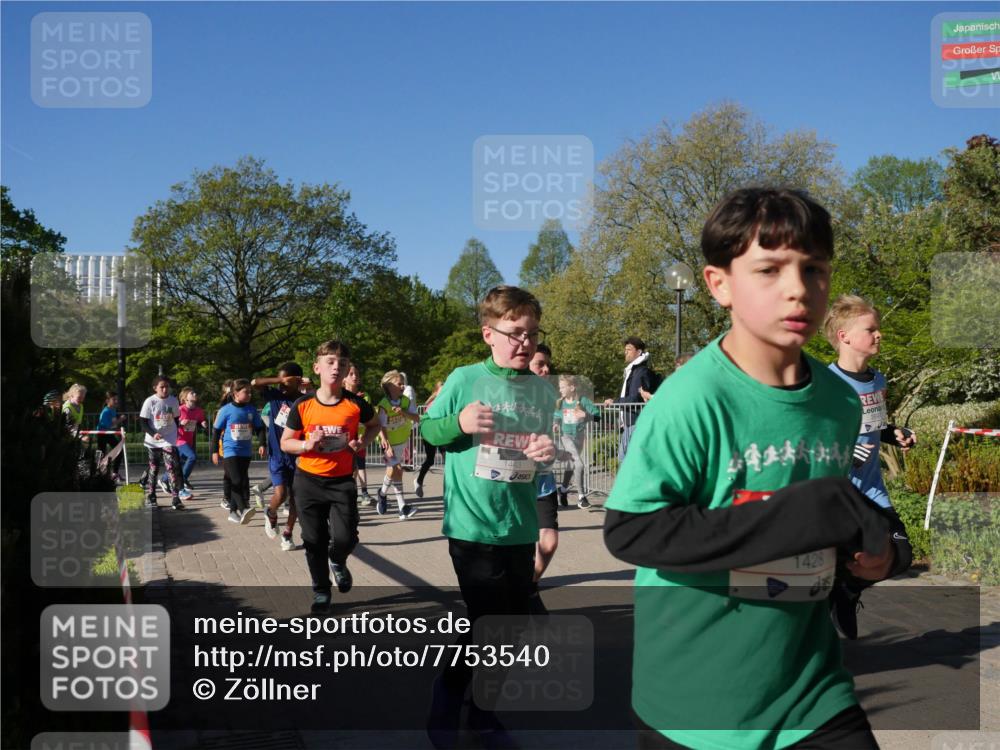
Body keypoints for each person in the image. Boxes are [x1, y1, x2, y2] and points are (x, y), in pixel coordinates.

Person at [604, 187, 905, 750]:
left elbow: (822, 526)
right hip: (696, 700)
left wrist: (875, 552)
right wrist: (791, 515)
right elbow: (630, 530)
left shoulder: (838, 402)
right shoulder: (692, 398)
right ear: (719, 284)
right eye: (769, 269)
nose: (798, 289)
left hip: (810, 688)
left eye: (813, 269)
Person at [421, 285, 557, 746]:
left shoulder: (542, 391)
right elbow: (428, 430)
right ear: (488, 334)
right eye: (515, 333)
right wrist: (457, 424)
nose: (526, 343)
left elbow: (537, 453)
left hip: (518, 525)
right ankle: (450, 696)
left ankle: (482, 709)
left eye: (532, 334)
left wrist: (545, 453)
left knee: (513, 627)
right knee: (487, 623)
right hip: (472, 524)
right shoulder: (464, 379)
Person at [824, 294, 916, 639]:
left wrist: (896, 434)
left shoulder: (876, 380)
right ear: (844, 336)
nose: (879, 335)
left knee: (900, 556)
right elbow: (812, 438)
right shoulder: (827, 385)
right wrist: (844, 455)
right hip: (837, 494)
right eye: (871, 329)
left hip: (873, 489)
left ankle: (847, 592)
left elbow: (874, 425)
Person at [280, 340, 381, 615]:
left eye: (342, 364)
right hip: (308, 481)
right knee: (313, 540)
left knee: (346, 538)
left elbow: (374, 425)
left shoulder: (355, 404)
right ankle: (321, 591)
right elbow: (285, 443)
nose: (337, 368)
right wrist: (306, 446)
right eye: (331, 362)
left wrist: (363, 442)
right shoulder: (302, 405)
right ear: (317, 368)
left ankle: (338, 560)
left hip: (341, 482)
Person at [252, 363, 306, 551]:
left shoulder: (304, 400)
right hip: (278, 456)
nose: (282, 385)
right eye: (281, 380)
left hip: (298, 457)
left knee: (296, 500)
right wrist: (279, 380)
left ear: (298, 381)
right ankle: (271, 512)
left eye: (287, 381)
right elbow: (255, 383)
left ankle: (288, 533)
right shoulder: (275, 396)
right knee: (281, 494)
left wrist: (310, 385)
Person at [527, 343, 560, 614]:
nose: (546, 368)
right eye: (540, 364)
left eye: (548, 364)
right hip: (516, 482)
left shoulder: (549, 394)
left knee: (549, 542)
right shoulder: (507, 393)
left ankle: (530, 584)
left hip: (544, 481)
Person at [212, 379, 265, 525]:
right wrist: (214, 451)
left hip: (245, 451)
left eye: (250, 392)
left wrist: (262, 444)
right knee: (236, 480)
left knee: (241, 480)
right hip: (230, 450)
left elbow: (259, 428)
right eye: (245, 392)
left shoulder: (251, 409)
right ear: (235, 393)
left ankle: (232, 513)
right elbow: (216, 432)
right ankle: (243, 509)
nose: (249, 395)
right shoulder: (226, 410)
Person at [374, 370, 421, 519]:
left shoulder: (406, 401)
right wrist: (385, 442)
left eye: (403, 383)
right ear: (388, 386)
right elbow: (380, 426)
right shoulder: (384, 404)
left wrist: (403, 413)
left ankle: (382, 493)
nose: (402, 386)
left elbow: (417, 417)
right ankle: (402, 507)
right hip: (388, 441)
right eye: (399, 383)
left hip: (402, 440)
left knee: (392, 471)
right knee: (397, 469)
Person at [603, 337, 656, 458]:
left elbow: (635, 398)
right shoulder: (634, 371)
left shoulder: (641, 372)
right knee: (626, 458)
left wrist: (614, 402)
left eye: (629, 349)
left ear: (639, 352)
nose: (625, 352)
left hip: (635, 422)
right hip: (630, 423)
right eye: (625, 349)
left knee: (624, 459)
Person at [138, 376, 185, 510]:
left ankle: (176, 498)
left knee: (172, 467)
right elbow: (143, 422)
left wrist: (174, 433)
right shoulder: (150, 401)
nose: (165, 389)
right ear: (155, 388)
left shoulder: (173, 400)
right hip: (153, 441)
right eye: (162, 387)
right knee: (154, 468)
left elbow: (176, 418)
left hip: (169, 439)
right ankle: (151, 496)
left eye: (167, 387)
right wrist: (154, 433)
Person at [554, 373, 599, 509]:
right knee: (578, 464)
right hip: (565, 437)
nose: (560, 390)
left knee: (571, 466)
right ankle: (581, 497)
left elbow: (598, 416)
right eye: (559, 387)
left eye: (562, 387)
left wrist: (586, 415)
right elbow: (557, 416)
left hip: (579, 437)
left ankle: (562, 490)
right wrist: (556, 423)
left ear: (572, 387)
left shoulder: (583, 401)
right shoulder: (560, 402)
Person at [342, 364, 374, 506]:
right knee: (349, 469)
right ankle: (349, 494)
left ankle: (363, 493)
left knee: (360, 466)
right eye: (351, 374)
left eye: (356, 374)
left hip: (360, 438)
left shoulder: (365, 396)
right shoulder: (340, 395)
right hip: (344, 439)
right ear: (344, 378)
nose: (355, 377)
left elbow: (369, 419)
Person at [413, 381, 444, 498]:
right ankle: (418, 481)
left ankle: (451, 488)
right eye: (441, 390)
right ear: (436, 392)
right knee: (430, 460)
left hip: (441, 434)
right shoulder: (432, 404)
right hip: (430, 434)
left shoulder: (445, 401)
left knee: (448, 459)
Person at [175, 388, 206, 499]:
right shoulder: (180, 409)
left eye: (194, 392)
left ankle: (164, 479)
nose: (195, 393)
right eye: (192, 393)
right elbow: (172, 422)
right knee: (192, 457)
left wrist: (203, 423)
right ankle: (182, 481)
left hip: (189, 440)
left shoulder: (199, 410)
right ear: (185, 398)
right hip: (179, 440)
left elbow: (201, 419)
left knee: (176, 464)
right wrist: (180, 423)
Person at [96, 391, 126, 483]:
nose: (116, 401)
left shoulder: (112, 410)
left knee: (119, 451)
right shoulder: (106, 411)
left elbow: (112, 425)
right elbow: (108, 425)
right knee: (101, 454)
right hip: (102, 434)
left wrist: (117, 430)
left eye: (117, 399)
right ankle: (98, 473)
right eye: (114, 399)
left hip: (108, 434)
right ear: (107, 401)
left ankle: (114, 473)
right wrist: (120, 419)